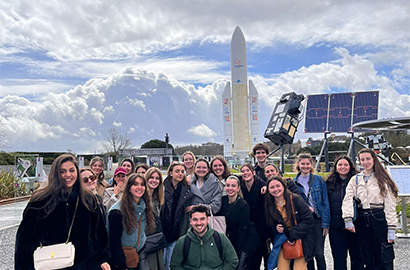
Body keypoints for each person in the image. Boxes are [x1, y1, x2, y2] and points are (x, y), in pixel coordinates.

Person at [15, 154, 110, 270]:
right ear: (56, 174)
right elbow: (25, 239)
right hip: (48, 264)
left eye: (72, 170)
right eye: (62, 171)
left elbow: (99, 233)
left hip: (83, 264)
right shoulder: (40, 201)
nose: (68, 175)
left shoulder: (88, 199)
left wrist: (101, 259)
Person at [342, 149, 398, 270]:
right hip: (362, 218)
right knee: (367, 255)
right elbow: (347, 199)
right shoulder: (355, 179)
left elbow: (390, 204)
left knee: (383, 254)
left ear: (373, 159)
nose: (365, 162)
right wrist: (348, 219)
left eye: (368, 159)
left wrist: (391, 228)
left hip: (378, 217)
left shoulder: (383, 179)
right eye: (362, 159)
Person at [107, 173, 156, 270]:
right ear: (129, 188)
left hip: (139, 252)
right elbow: (114, 242)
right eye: (135, 184)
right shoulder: (117, 212)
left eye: (142, 184)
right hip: (123, 257)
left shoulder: (145, 206)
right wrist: (121, 264)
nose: (139, 187)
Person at [265, 176, 314, 270]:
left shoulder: (295, 199)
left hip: (301, 239)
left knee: (298, 268)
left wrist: (293, 235)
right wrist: (275, 228)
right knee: (282, 268)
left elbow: (308, 220)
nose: (275, 189)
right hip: (284, 241)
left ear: (283, 186)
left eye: (278, 186)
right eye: (272, 187)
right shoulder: (269, 203)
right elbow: (269, 223)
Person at [170, 205, 239, 270]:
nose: (199, 223)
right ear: (190, 221)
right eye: (195, 219)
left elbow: (233, 261)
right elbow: (174, 265)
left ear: (207, 220)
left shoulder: (220, 238)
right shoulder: (182, 242)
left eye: (202, 219)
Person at [293, 152, 330, 270]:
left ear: (311, 165)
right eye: (302, 164)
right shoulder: (294, 183)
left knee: (319, 253)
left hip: (317, 218)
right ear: (298, 164)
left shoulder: (318, 180)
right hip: (304, 221)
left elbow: (325, 202)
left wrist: (325, 223)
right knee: (308, 254)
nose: (305, 166)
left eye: (307, 164)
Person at [326, 156, 364, 270]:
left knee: (357, 257)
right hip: (336, 227)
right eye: (340, 165)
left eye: (346, 165)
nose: (343, 167)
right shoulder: (329, 183)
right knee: (339, 258)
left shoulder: (358, 181)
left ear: (350, 166)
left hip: (356, 225)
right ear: (336, 167)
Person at [216, 175, 259, 270]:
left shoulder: (243, 205)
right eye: (227, 185)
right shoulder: (223, 201)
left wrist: (236, 250)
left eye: (233, 186)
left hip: (247, 239)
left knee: (240, 265)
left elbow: (242, 231)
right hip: (233, 237)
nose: (230, 188)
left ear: (238, 188)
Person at [161, 162, 194, 270]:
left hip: (176, 232)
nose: (180, 174)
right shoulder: (162, 188)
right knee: (161, 263)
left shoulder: (185, 190)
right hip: (162, 231)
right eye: (177, 171)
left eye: (182, 172)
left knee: (170, 264)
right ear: (170, 173)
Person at [240, 163, 269, 270]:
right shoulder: (241, 187)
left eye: (248, 170)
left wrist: (263, 185)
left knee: (259, 257)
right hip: (246, 228)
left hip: (259, 229)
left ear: (253, 173)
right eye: (243, 171)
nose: (245, 173)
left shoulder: (261, 188)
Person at [145, 167, 165, 270]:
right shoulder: (142, 197)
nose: (154, 180)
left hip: (156, 239)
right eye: (151, 177)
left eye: (157, 178)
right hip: (146, 240)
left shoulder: (158, 198)